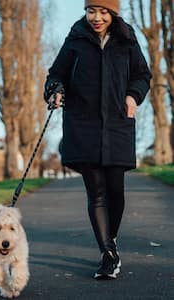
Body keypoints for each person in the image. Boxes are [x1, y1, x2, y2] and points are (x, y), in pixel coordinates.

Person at [44, 0, 151, 279]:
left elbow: (142, 75)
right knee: (97, 192)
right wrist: (55, 90)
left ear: (113, 13)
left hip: (117, 122)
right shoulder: (76, 39)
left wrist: (132, 96)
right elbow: (57, 74)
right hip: (83, 124)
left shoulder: (126, 40)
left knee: (116, 189)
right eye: (91, 11)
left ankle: (110, 239)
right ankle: (107, 254)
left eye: (103, 11)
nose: (96, 17)